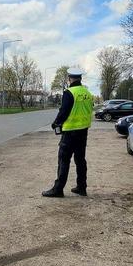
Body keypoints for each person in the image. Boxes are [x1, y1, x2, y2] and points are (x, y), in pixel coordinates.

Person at [42, 67, 93, 198]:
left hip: (70, 132)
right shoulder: (87, 93)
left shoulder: (69, 92)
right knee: (80, 160)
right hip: (83, 132)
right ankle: (82, 187)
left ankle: (58, 189)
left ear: (70, 78)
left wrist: (56, 123)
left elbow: (64, 111)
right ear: (80, 78)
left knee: (63, 160)